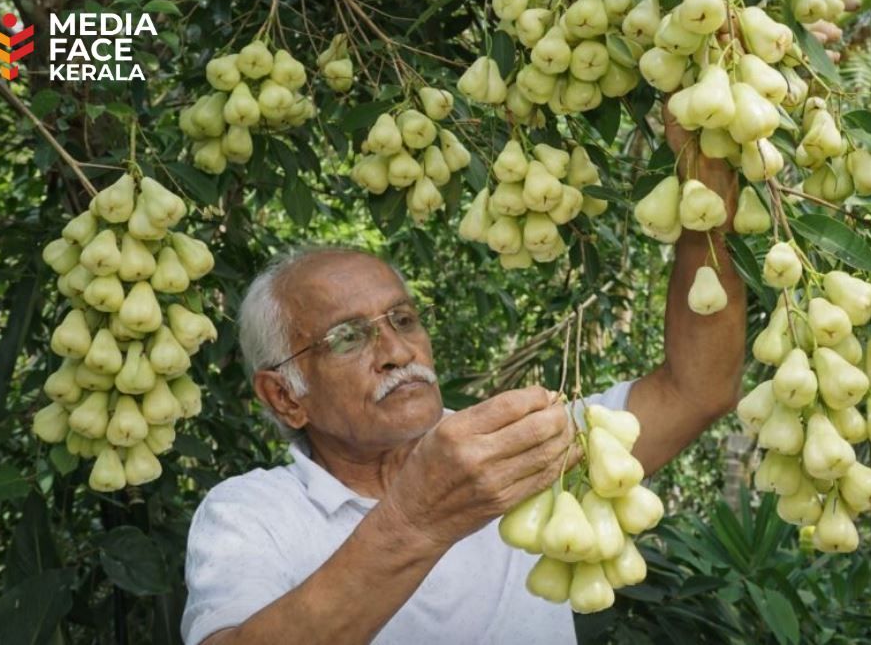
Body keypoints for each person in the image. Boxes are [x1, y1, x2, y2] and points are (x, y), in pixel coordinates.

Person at [180, 107, 746, 644]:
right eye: (348, 337)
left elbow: (697, 389)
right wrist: (417, 518)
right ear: (285, 395)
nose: (397, 350)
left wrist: (706, 200)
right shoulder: (252, 513)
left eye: (404, 319)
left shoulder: (513, 446)